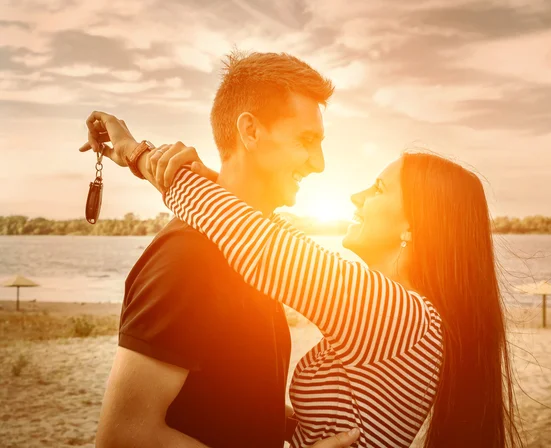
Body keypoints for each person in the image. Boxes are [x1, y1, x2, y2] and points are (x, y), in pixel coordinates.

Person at [85, 134, 522, 446]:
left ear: (415, 225)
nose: (355, 196)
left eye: (378, 188)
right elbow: (262, 231)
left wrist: (135, 153)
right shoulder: (410, 316)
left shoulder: (394, 312)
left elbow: (254, 242)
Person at [85, 52, 359, 448]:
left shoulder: (253, 250)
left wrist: (293, 426)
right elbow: (123, 437)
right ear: (249, 131)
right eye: (306, 140)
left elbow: (224, 397)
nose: (318, 163)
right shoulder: (188, 257)